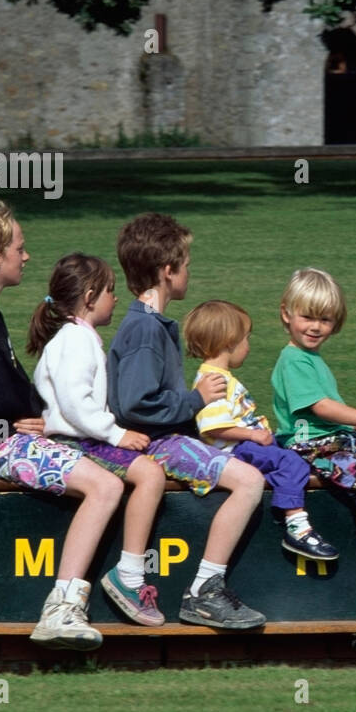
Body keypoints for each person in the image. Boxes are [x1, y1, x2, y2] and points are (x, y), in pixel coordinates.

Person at [0, 201, 123, 649]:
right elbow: (0, 392)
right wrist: (28, 418)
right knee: (106, 487)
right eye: (20, 247)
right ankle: (62, 607)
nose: (27, 256)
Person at [107, 213, 268, 630]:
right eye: (186, 263)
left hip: (167, 436)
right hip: (159, 443)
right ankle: (204, 592)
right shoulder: (144, 330)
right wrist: (196, 400)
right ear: (167, 271)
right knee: (249, 482)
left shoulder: (153, 324)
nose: (189, 271)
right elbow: (136, 404)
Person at [28, 253, 168, 627]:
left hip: (84, 439)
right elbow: (76, 406)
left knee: (151, 470)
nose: (116, 298)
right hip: (80, 443)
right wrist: (118, 434)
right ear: (90, 296)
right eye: (110, 291)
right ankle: (130, 577)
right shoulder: (75, 339)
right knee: (152, 475)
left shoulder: (75, 337)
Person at [270, 268, 356, 614]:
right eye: (307, 317)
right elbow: (321, 408)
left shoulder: (309, 358)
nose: (316, 327)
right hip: (307, 445)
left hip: (324, 440)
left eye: (326, 319)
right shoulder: (293, 360)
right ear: (286, 313)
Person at [182, 299, 335, 561]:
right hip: (237, 451)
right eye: (246, 339)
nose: (248, 346)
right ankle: (297, 526)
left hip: (246, 446)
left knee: (290, 453)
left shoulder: (219, 375)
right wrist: (252, 435)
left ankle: (287, 503)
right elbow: (213, 426)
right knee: (290, 461)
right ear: (229, 342)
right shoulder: (214, 379)